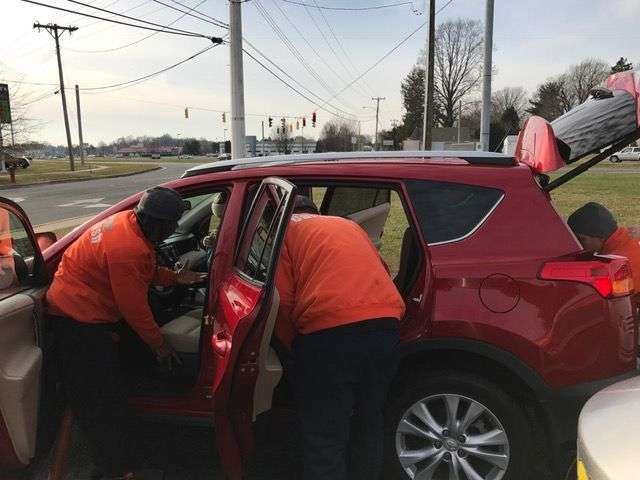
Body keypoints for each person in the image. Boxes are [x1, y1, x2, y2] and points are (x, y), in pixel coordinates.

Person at [46, 187, 206, 480]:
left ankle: (126, 451)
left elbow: (143, 270)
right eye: (172, 225)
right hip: (78, 320)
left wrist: (174, 277)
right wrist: (160, 346)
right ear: (157, 224)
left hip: (90, 312)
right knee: (102, 401)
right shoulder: (126, 247)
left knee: (117, 382)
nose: (175, 229)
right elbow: (133, 307)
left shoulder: (129, 225)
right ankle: (116, 471)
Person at [274, 195, 405, 480]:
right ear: (315, 211)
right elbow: (381, 269)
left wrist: (290, 348)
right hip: (385, 328)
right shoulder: (348, 226)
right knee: (369, 420)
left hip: (329, 335)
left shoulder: (286, 233)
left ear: (286, 215)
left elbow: (282, 302)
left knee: (326, 432)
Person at [568, 202, 640, 302]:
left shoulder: (622, 263)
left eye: (581, 239)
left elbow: (612, 304)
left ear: (601, 236)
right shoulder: (628, 237)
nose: (577, 244)